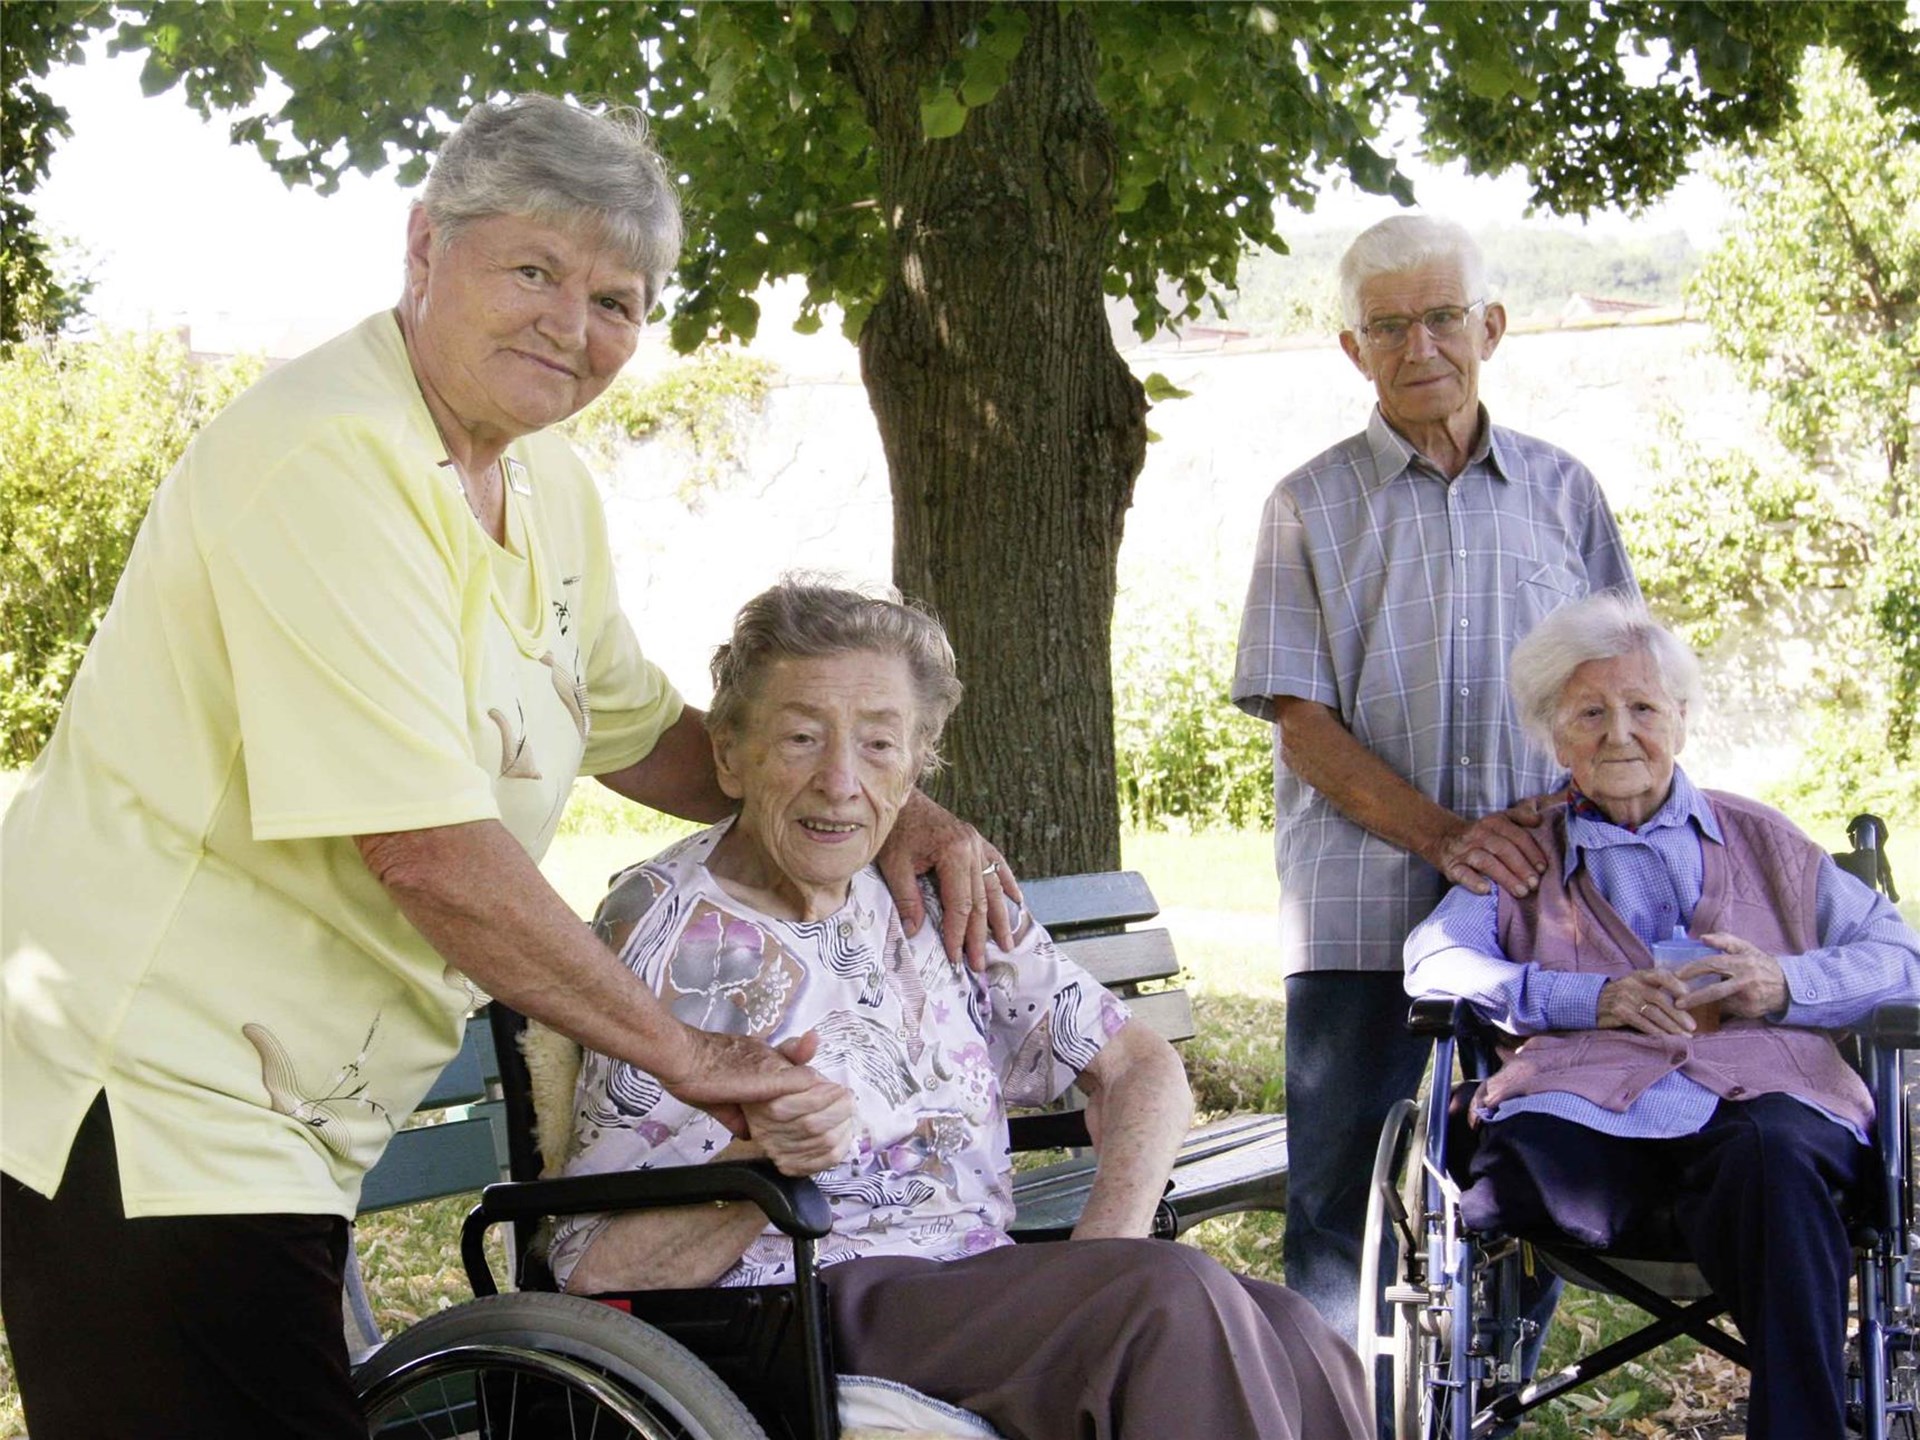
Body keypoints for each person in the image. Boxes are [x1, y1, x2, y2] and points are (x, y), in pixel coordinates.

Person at [0, 97, 1008, 1440]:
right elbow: (426, 848)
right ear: (425, 248)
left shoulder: (546, 487)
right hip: (149, 1088)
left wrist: (889, 806)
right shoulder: (328, 462)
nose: (570, 324)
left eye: (615, 298)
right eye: (533, 270)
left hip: (285, 1111)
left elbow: (654, 736)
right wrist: (691, 1054)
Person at [548, 579, 1374, 1440]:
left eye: (878, 745)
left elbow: (1139, 1067)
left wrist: (1103, 1253)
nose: (839, 782)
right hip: (791, 1303)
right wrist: (766, 1173)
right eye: (799, 738)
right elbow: (588, 1261)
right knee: (1169, 1301)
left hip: (969, 1283)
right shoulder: (667, 926)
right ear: (728, 754)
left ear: (916, 767)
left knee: (1293, 1329)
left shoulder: (937, 893)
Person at [1230, 213, 1641, 1345]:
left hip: (1534, 910)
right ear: (1354, 350)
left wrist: (1572, 825)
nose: (1420, 347)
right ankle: (1334, 1413)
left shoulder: (1564, 493)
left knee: (1528, 1180)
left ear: (1491, 327)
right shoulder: (1306, 505)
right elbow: (1300, 723)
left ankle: (1489, 1396)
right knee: (1336, 1205)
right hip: (1359, 909)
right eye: (1389, 326)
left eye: (1443, 318)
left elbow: (1623, 697)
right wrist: (1442, 837)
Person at [1404, 592, 1920, 1439]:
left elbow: (1900, 957)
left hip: (1766, 1125)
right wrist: (1585, 998)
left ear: (1680, 719)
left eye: (1642, 707)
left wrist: (1782, 984)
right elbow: (1432, 961)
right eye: (1590, 713)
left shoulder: (1765, 841)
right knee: (1546, 1157)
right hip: (1585, 1140)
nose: (1619, 734)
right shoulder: (1523, 851)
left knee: (1780, 1158)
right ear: (1552, 733)